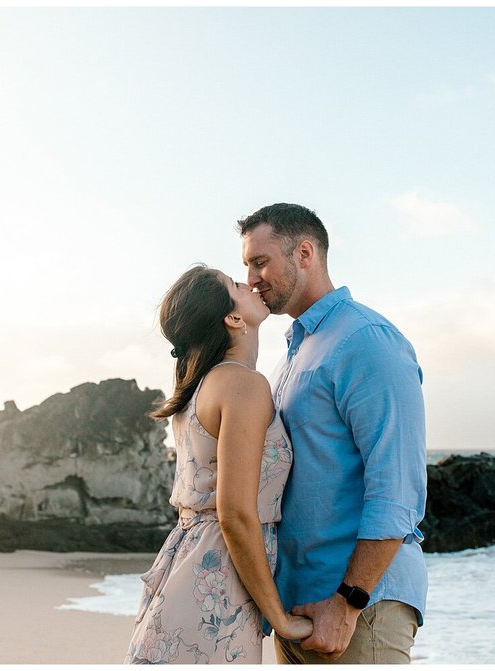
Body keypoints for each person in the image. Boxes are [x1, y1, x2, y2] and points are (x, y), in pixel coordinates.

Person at [237, 203, 428, 664]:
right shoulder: (296, 351)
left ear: (305, 253)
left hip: (359, 611)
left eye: (260, 262)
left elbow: (397, 489)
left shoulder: (366, 340)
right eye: (246, 266)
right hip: (296, 610)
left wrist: (348, 603)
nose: (251, 279)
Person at [125, 264, 313, 664]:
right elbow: (235, 513)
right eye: (236, 284)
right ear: (232, 318)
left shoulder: (201, 385)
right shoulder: (242, 384)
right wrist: (280, 619)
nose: (250, 283)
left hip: (191, 572)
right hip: (216, 583)